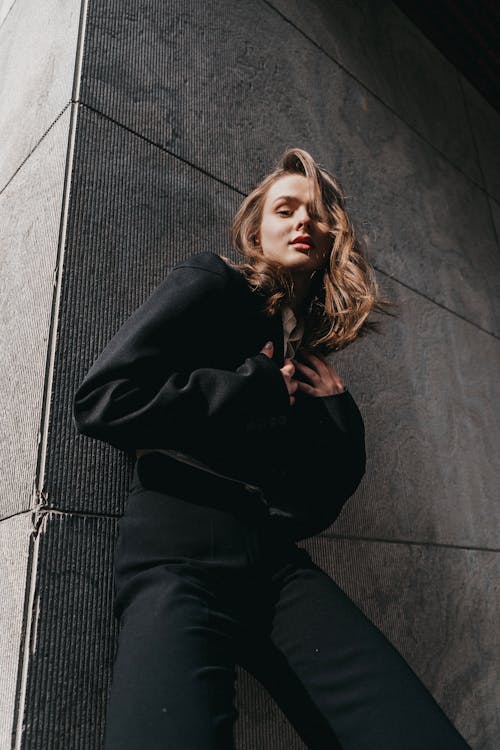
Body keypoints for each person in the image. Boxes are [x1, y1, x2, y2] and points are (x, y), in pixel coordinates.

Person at [73, 148, 472, 749]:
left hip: (274, 565)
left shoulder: (307, 356)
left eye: (315, 215)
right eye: (285, 210)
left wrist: (338, 416)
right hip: (175, 553)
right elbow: (103, 398)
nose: (302, 222)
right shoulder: (210, 284)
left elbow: (309, 509)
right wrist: (249, 387)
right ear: (256, 230)